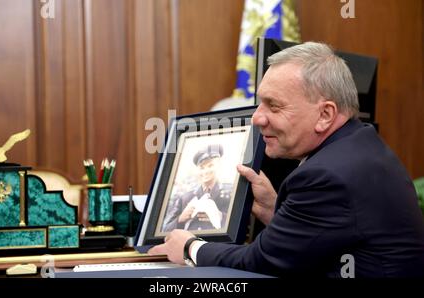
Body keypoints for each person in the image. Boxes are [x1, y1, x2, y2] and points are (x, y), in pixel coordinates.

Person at [148, 42, 424, 277]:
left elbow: (261, 261)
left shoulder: (326, 177)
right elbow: (325, 239)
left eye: (274, 105)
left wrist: (190, 247)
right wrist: (275, 210)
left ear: (326, 114)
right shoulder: (359, 145)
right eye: (260, 103)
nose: (257, 118)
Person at [161, 144, 233, 232]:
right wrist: (180, 219)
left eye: (210, 166)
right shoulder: (185, 197)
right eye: (202, 167)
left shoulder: (230, 194)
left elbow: (240, 226)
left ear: (218, 165)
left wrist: (220, 217)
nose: (205, 171)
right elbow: (164, 230)